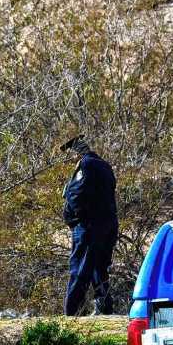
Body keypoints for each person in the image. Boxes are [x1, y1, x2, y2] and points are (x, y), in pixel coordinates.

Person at [60, 135, 119, 316]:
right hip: (107, 226)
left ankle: (70, 314)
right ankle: (105, 309)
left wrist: (73, 217)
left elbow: (76, 194)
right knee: (98, 269)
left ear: (76, 153)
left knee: (79, 270)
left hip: (89, 227)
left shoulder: (86, 165)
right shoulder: (104, 165)